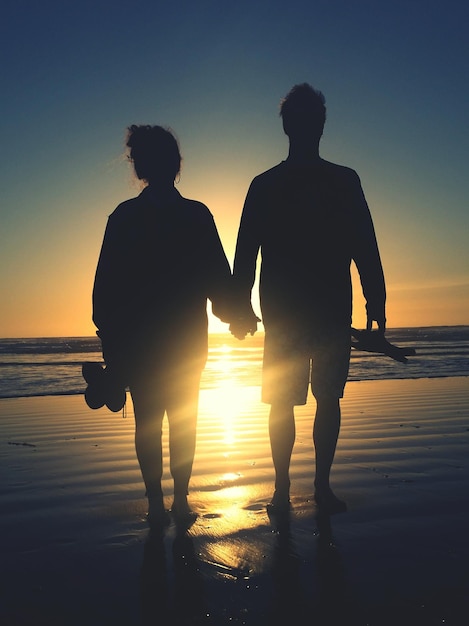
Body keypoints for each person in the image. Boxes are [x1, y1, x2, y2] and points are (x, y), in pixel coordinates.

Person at [231, 83, 386, 514]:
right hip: (318, 308)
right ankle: (309, 487)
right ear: (315, 126)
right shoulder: (335, 180)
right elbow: (365, 247)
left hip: (298, 310)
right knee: (320, 399)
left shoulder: (274, 184)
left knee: (300, 400)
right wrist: (376, 303)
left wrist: (239, 306)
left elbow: (246, 254)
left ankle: (293, 489)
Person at [92, 125, 232, 528]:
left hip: (139, 344)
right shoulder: (196, 214)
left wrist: (110, 341)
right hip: (187, 341)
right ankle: (180, 500)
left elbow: (105, 287)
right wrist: (235, 314)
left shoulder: (124, 217)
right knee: (184, 420)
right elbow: (218, 280)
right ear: (176, 165)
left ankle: (157, 502)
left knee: (148, 422)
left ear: (140, 166)